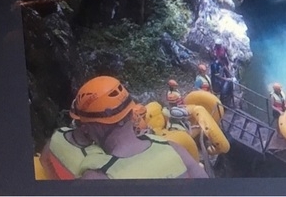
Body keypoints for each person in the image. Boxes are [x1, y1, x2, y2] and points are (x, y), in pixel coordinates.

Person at [65, 75, 208, 179]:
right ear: (130, 110)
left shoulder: (97, 176)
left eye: (84, 126)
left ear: (93, 126)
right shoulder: (173, 147)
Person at [39, 121, 106, 179]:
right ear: (84, 128)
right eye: (99, 126)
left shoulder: (61, 131)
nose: (103, 130)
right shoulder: (95, 154)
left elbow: (43, 159)